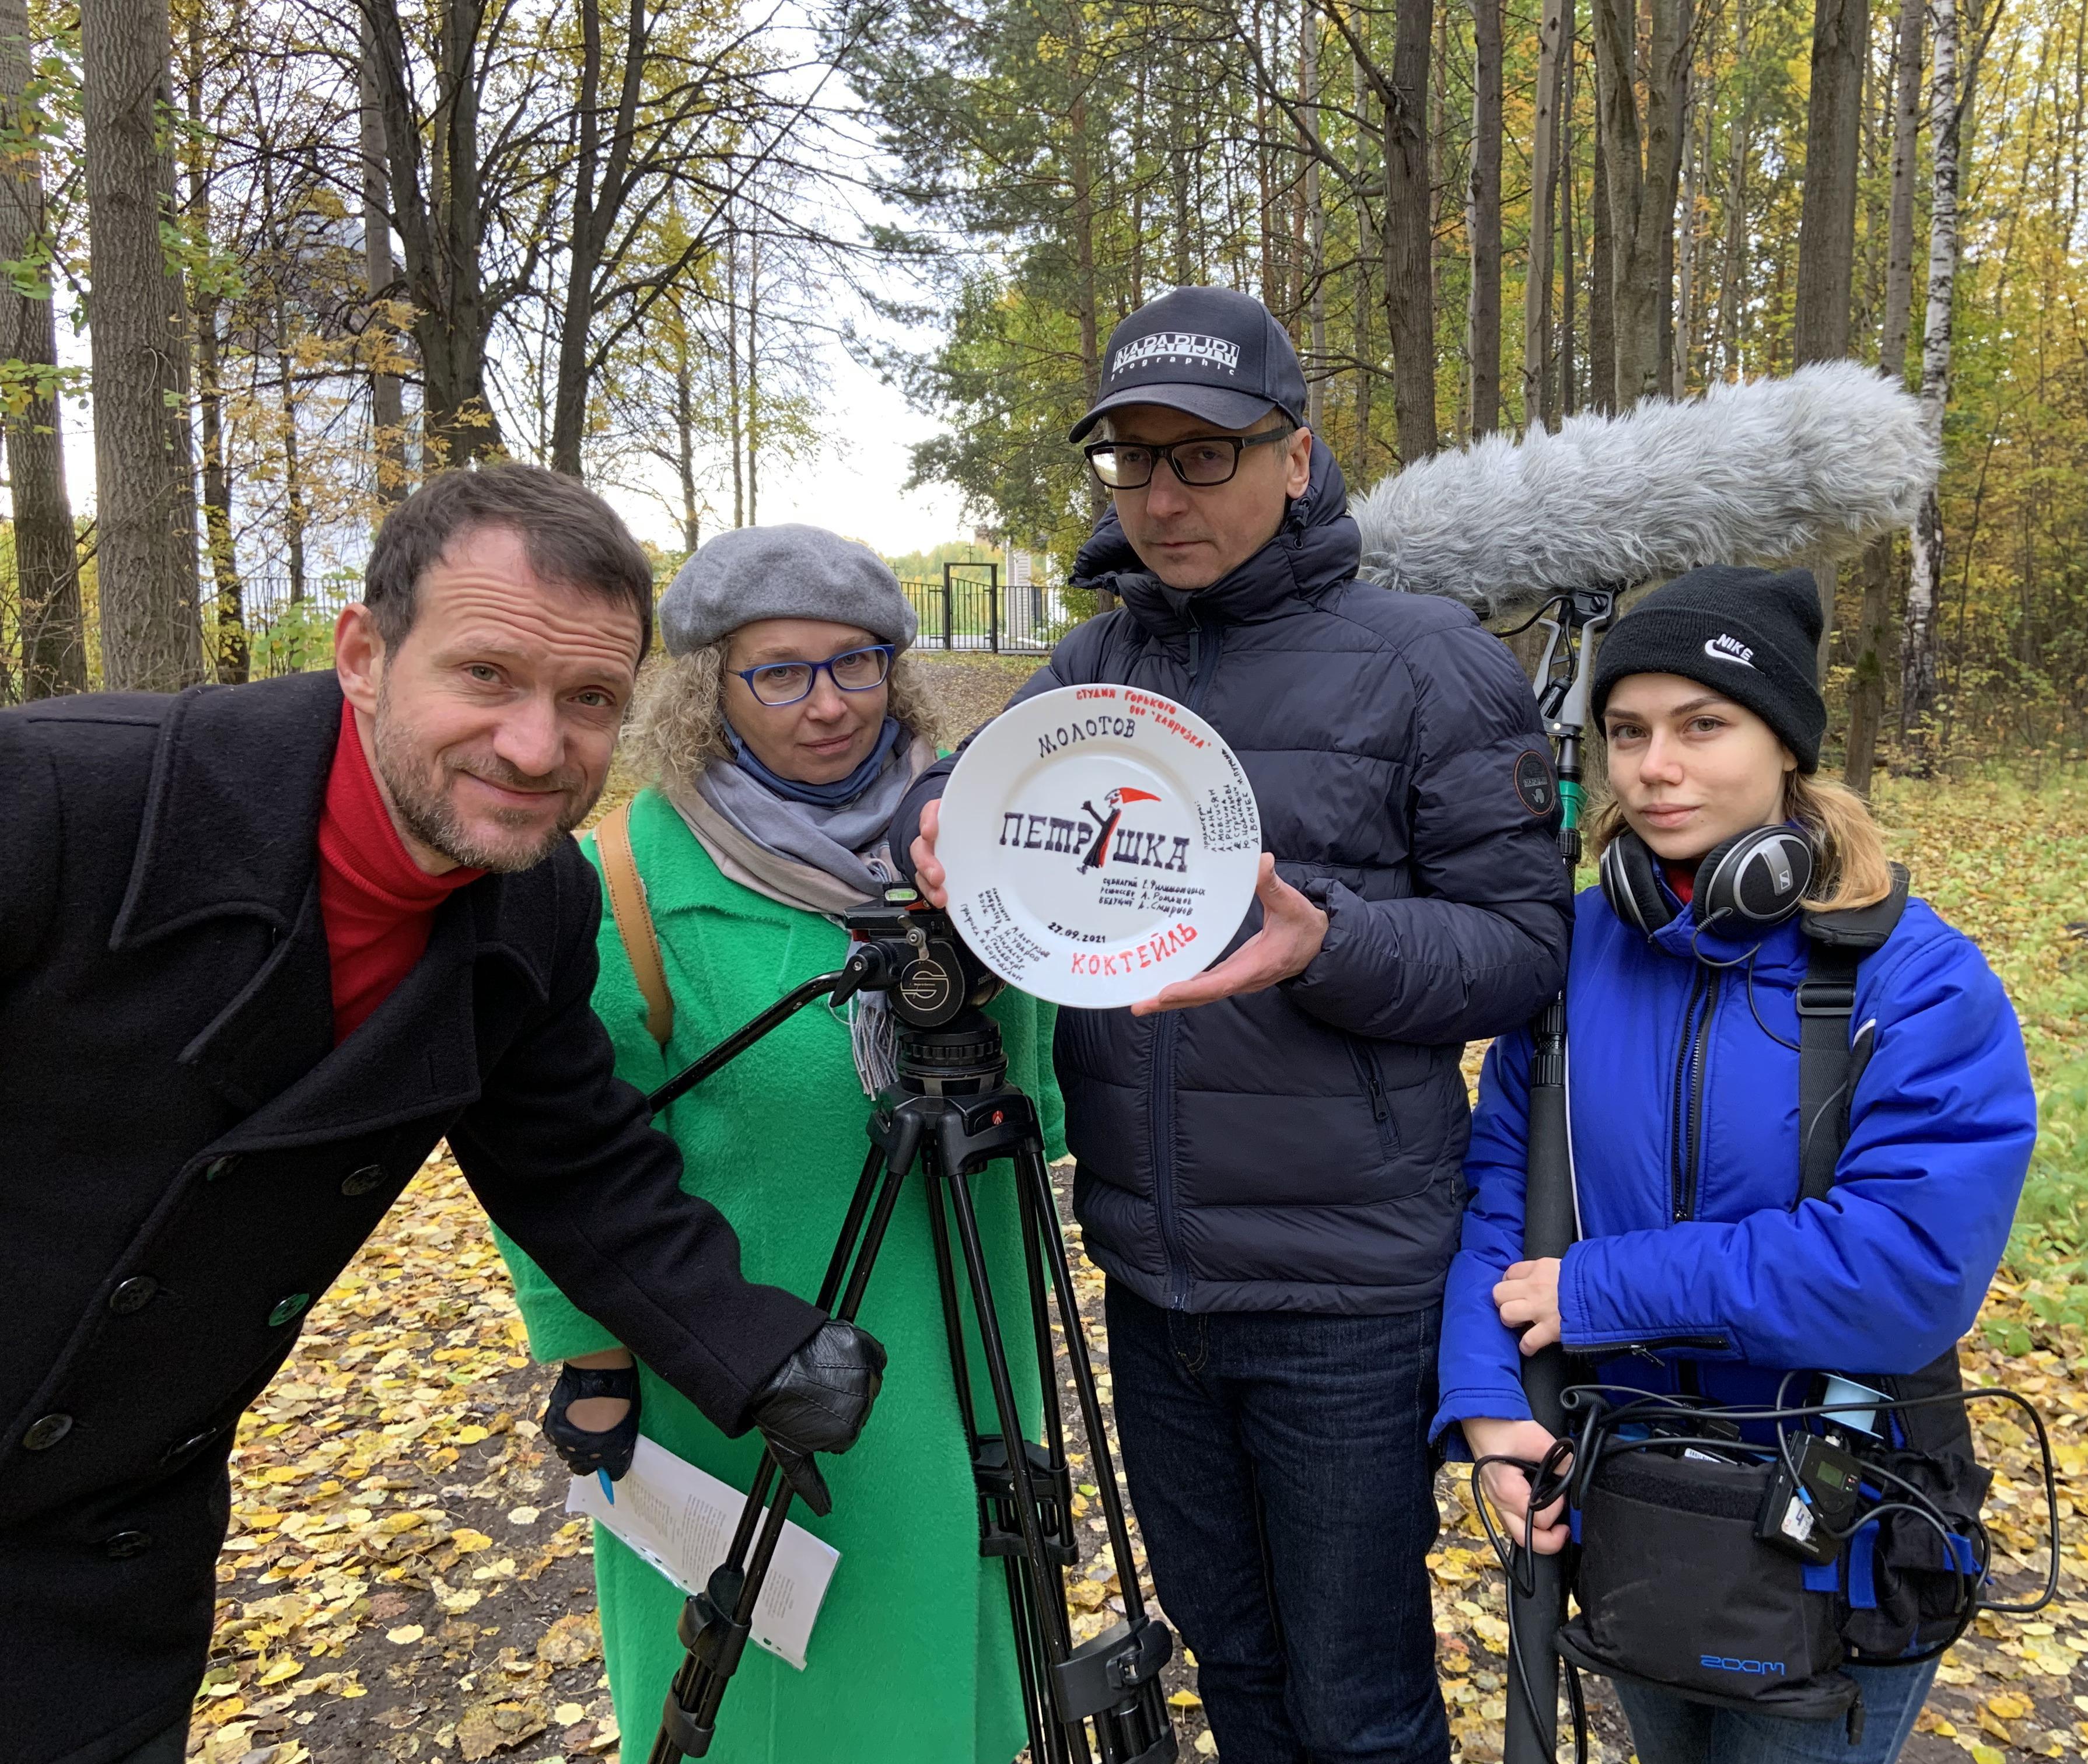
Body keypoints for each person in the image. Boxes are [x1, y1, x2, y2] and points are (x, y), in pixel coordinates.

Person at [0, 468, 884, 1764]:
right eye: (486, 676)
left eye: (589, 700)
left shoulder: (533, 903)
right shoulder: (56, 802)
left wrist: (762, 1351)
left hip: (99, 1558)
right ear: (364, 655)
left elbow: (569, 1162)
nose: (535, 748)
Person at [895, 285, 1575, 1764]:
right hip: (1153, 1277)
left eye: (1203, 456)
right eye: (1132, 460)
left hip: (1346, 1291)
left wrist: (1329, 943)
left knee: (1358, 1700)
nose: (1161, 497)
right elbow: (962, 795)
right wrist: (932, 825)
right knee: (1236, 1667)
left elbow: (1525, 952)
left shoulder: (1429, 663)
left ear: (1296, 456)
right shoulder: (1093, 670)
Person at [1435, 565, 2037, 1763]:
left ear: (1786, 746)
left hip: (1843, 1540)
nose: (1655, 768)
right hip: (1628, 1509)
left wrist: (1603, 1289)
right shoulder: (1572, 953)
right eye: (1627, 732)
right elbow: (1501, 1189)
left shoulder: (1917, 980)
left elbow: (1909, 1270)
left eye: (1702, 726)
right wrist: (1489, 1402)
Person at [489, 526, 1065, 1764]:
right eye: (781, 673)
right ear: (710, 689)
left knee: (944, 1677)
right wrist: (591, 1360)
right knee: (775, 1700)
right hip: (749, 1378)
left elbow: (1040, 1111)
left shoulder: (973, 846)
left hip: (962, 1353)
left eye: (858, 663)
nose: (831, 703)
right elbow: (551, 1149)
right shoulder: (627, 881)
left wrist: (1009, 934)